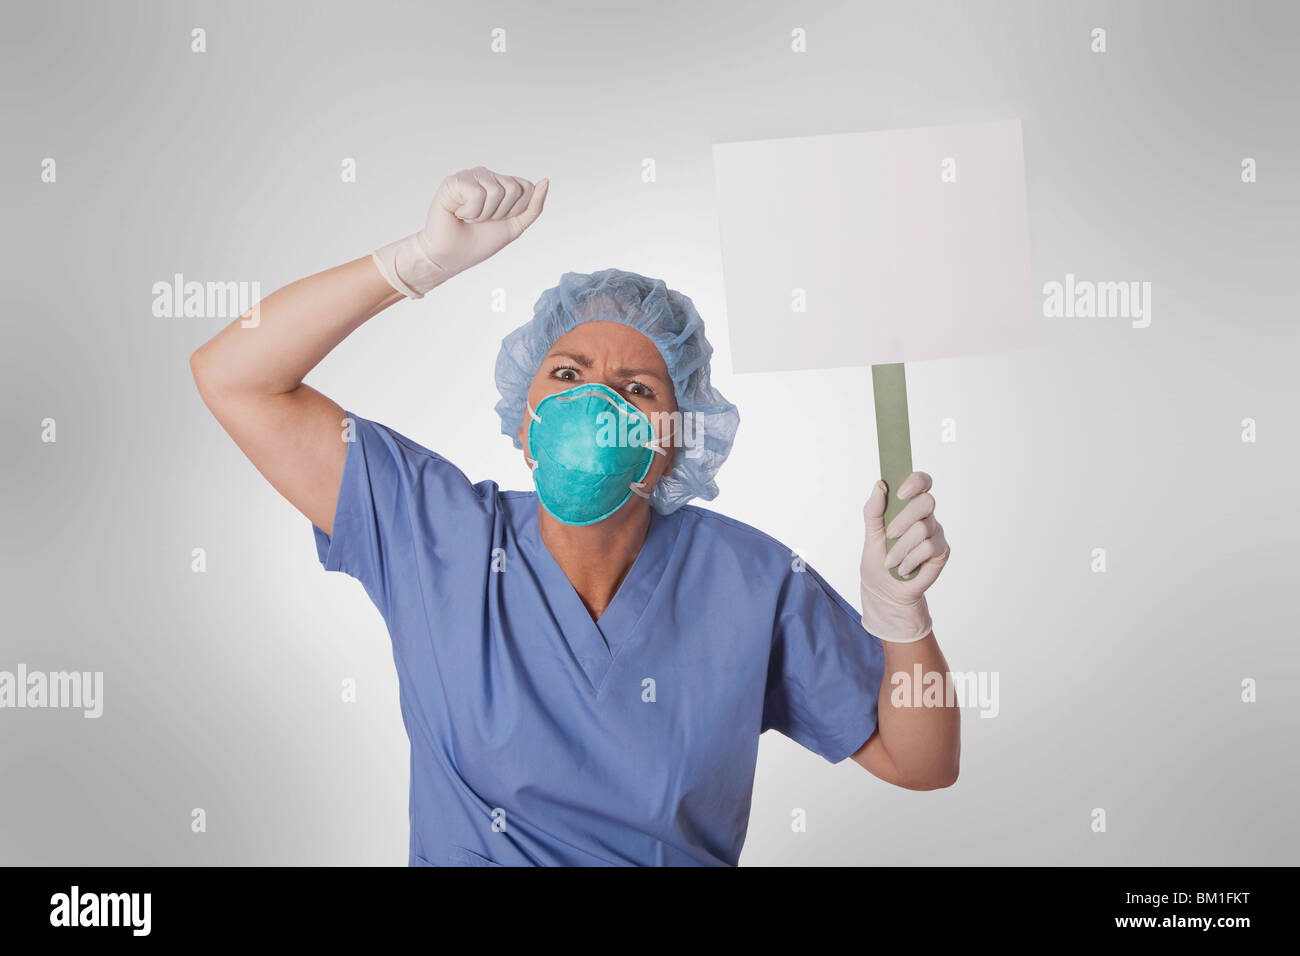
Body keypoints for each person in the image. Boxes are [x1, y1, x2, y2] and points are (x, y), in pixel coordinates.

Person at [189, 166, 957, 867]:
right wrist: (417, 262)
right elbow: (235, 376)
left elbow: (920, 762)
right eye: (567, 374)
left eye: (640, 389)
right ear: (525, 422)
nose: (599, 403)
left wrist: (902, 618)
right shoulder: (436, 532)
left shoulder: (753, 582)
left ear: (676, 442)